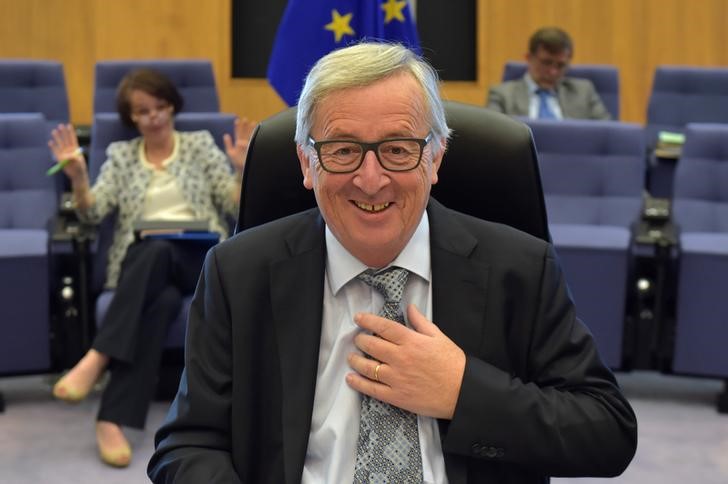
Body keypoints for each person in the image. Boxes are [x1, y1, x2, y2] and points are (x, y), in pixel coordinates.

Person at [148, 42, 637, 483]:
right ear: (305, 163)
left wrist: (462, 392)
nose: (371, 179)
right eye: (342, 150)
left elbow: (607, 432)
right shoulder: (239, 273)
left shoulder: (520, 269)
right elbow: (187, 445)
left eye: (398, 150)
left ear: (436, 157)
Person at [48, 68, 255, 468]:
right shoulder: (121, 156)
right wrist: (77, 178)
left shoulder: (197, 146)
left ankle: (96, 359)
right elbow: (93, 214)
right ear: (132, 118)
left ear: (172, 107)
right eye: (143, 111)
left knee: (158, 251)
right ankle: (111, 420)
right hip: (145, 265)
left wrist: (242, 171)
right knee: (158, 297)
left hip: (200, 257)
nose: (154, 117)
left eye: (160, 107)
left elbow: (234, 209)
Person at [486, 27, 612, 120]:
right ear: (529, 58)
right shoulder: (502, 95)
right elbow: (492, 135)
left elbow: (607, 133)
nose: (553, 72)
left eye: (561, 65)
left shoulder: (583, 92)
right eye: (546, 63)